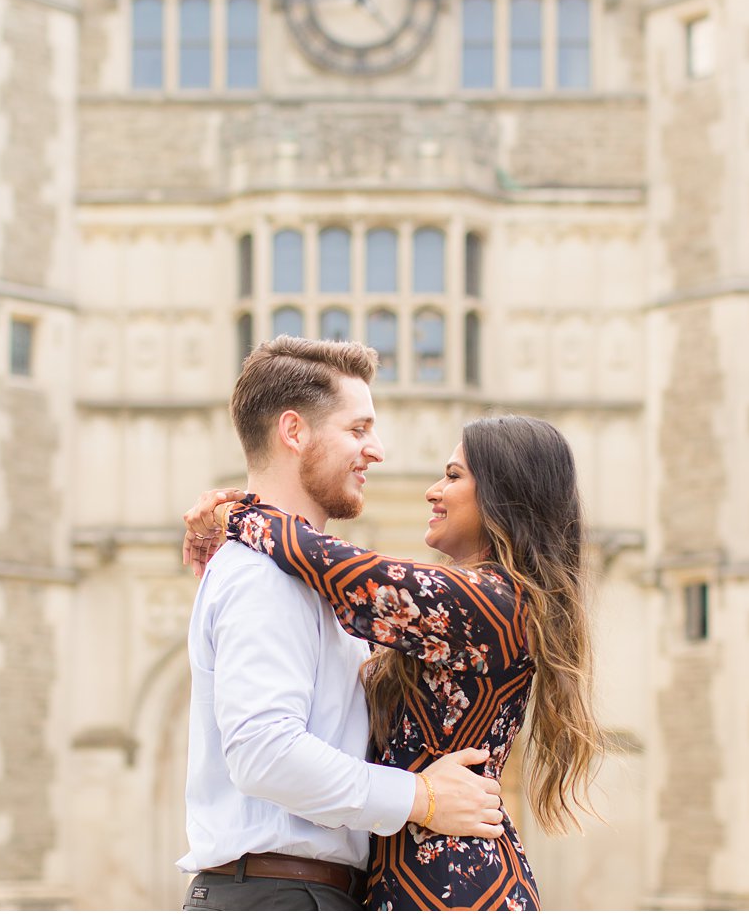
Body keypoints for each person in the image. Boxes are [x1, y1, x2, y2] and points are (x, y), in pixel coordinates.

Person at [184, 411, 601, 911]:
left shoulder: (492, 604)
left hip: (457, 885)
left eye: (452, 476)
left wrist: (234, 515)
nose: (432, 490)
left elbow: (341, 570)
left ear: (504, 496)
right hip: (412, 882)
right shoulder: (462, 612)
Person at [179, 336, 506, 912]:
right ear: (294, 432)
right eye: (358, 430)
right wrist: (422, 797)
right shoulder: (263, 574)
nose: (377, 450)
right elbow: (264, 751)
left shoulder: (305, 573)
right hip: (278, 894)